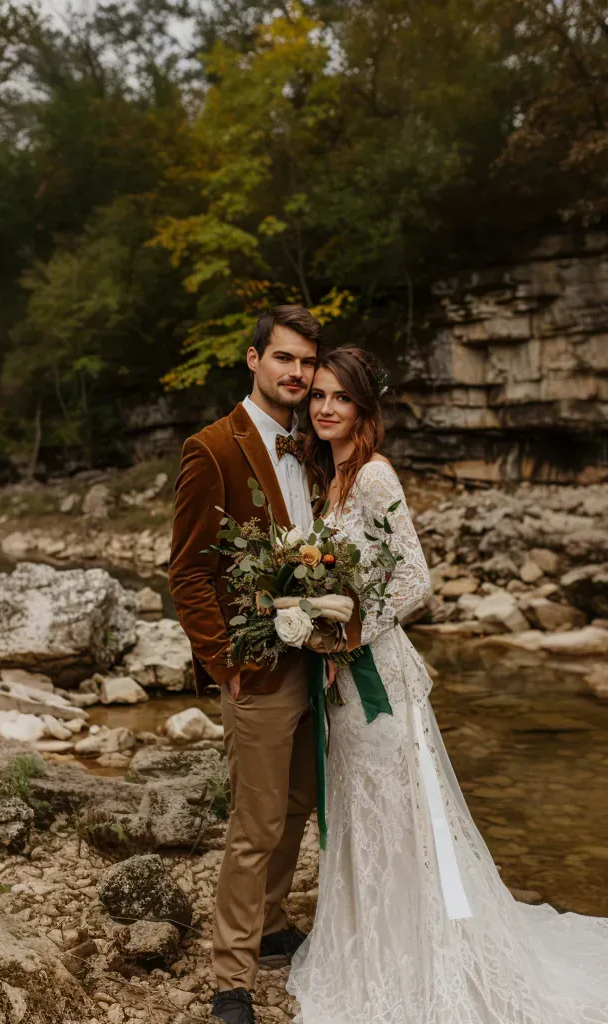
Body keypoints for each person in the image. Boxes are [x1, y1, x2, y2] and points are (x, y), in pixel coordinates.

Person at [286, 346, 608, 1024]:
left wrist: (352, 633)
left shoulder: (373, 478)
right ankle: (370, 945)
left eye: (341, 397)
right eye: (319, 397)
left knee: (404, 820)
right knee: (364, 819)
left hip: (379, 683)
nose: (327, 408)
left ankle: (430, 957)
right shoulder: (328, 483)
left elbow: (416, 580)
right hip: (338, 685)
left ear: (365, 408)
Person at [168, 306, 357, 1024]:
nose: (298, 374)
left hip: (319, 665)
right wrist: (223, 663)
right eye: (285, 359)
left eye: (307, 364)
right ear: (253, 360)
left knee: (299, 805)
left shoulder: (312, 447)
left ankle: (273, 925)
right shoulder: (211, 448)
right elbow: (187, 572)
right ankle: (231, 980)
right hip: (258, 666)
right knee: (254, 823)